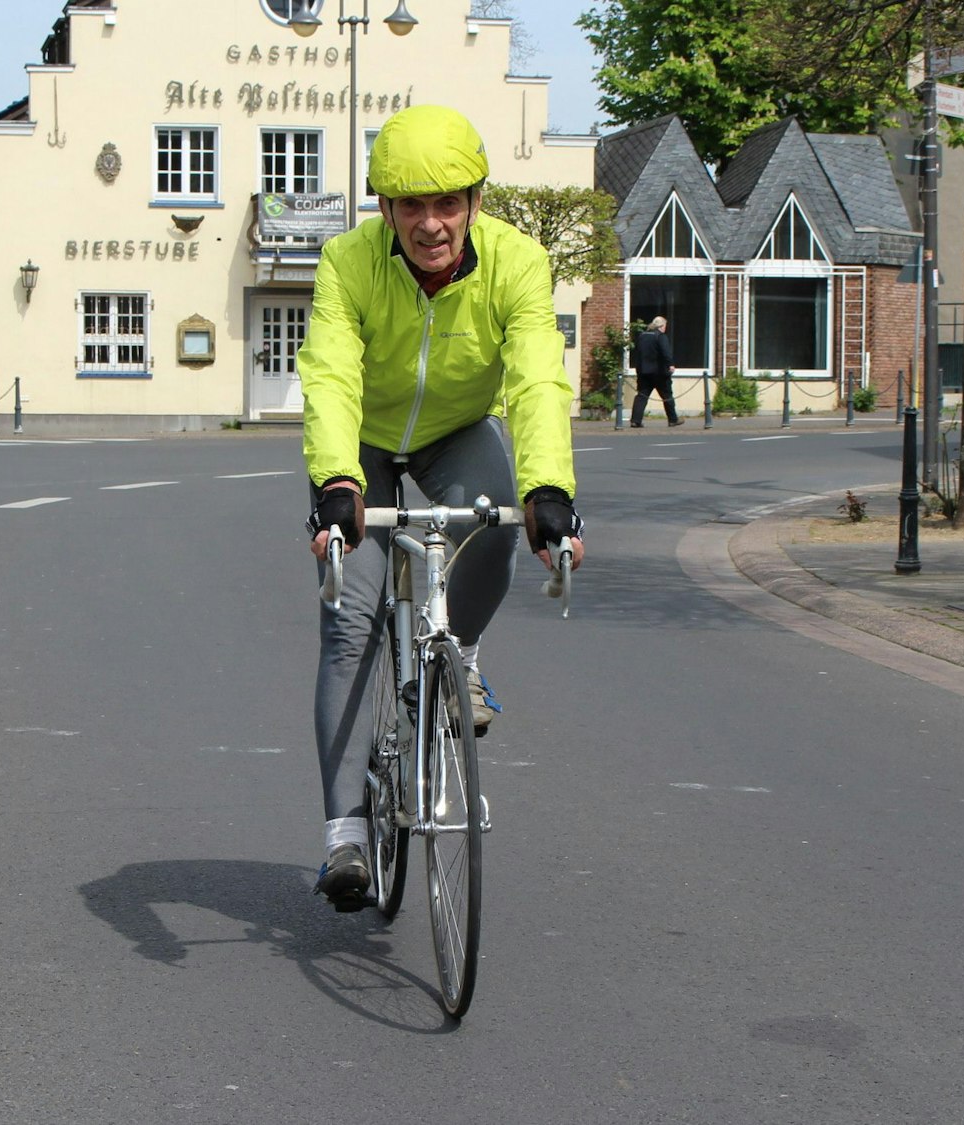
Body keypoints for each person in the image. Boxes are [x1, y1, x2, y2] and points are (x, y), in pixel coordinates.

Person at [298, 104, 584, 911]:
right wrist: (336, 484)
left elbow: (537, 377)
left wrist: (549, 491)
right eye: (412, 206)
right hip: (362, 438)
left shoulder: (517, 263)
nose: (431, 224)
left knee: (493, 526)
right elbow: (330, 373)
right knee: (350, 621)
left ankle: (459, 656)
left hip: (456, 430)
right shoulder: (348, 262)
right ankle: (346, 835)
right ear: (384, 208)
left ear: (476, 203)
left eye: (448, 203)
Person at [631, 315, 682, 427]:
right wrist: (671, 364)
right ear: (661, 326)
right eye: (665, 326)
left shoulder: (642, 336)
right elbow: (666, 352)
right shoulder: (660, 336)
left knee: (641, 396)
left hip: (644, 372)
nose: (665, 328)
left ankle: (635, 420)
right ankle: (673, 419)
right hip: (659, 372)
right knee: (667, 396)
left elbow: (637, 353)